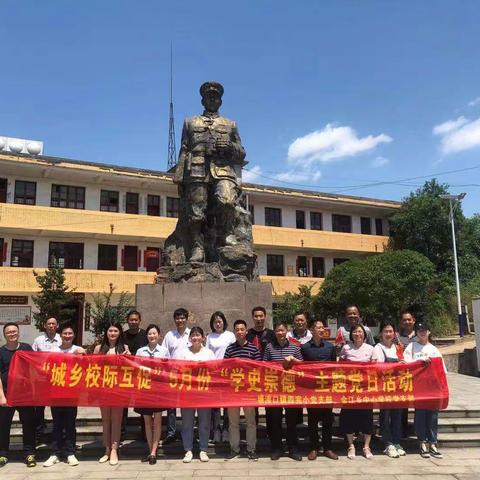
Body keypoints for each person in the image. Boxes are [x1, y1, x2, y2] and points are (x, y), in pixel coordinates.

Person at [171, 81, 247, 262]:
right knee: (196, 210)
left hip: (222, 170)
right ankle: (197, 248)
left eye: (216, 97)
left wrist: (230, 146)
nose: (212, 100)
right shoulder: (190, 122)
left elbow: (241, 153)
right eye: (208, 97)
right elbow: (184, 149)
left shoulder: (230, 124)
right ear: (203, 101)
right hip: (196, 170)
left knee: (227, 200)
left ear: (220, 101)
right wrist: (179, 178)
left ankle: (228, 234)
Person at [43, 324, 85, 468]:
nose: (67, 335)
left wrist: (83, 356)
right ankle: (55, 453)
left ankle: (70, 453)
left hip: (72, 393)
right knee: (57, 425)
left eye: (70, 333)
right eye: (65, 333)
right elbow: (47, 370)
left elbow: (86, 368)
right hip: (56, 392)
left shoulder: (78, 350)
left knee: (70, 424)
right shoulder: (54, 351)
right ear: (60, 336)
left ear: (73, 335)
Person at [404, 321, 446, 459]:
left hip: (433, 388)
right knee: (420, 415)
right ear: (416, 332)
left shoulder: (434, 349)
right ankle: (422, 442)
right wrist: (421, 360)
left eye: (425, 330)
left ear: (429, 332)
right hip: (419, 388)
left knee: (433, 416)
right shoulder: (411, 346)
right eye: (420, 330)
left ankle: (433, 442)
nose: (422, 332)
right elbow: (406, 363)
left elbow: (442, 371)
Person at [173, 327, 215, 463]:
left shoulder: (209, 353)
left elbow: (214, 371)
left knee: (204, 422)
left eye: (198, 335)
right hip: (187, 394)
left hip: (204, 394)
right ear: (190, 338)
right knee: (187, 423)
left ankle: (203, 449)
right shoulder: (182, 353)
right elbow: (176, 369)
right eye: (193, 335)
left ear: (203, 338)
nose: (196, 338)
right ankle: (188, 450)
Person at [263, 321, 303, 461]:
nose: (280, 333)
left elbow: (303, 366)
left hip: (290, 389)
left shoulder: (295, 347)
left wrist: (293, 360)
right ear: (274, 332)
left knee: (291, 421)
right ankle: (276, 448)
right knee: (275, 420)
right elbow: (264, 366)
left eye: (282, 330)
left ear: (287, 331)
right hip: (274, 389)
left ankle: (293, 448)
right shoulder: (269, 347)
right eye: (278, 330)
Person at [93, 322, 130, 465]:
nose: (113, 333)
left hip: (119, 389)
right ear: (106, 333)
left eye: (115, 331)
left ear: (119, 333)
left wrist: (128, 357)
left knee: (117, 420)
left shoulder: (124, 348)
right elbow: (92, 367)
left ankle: (114, 449)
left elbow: (130, 368)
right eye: (110, 330)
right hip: (103, 389)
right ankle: (106, 449)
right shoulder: (99, 348)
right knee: (105, 420)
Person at [223, 319, 261, 461]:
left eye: (242, 329)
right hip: (233, 392)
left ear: (246, 331)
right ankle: (234, 449)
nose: (239, 332)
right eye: (237, 329)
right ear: (234, 332)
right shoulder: (230, 349)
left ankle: (251, 449)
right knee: (233, 423)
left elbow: (258, 369)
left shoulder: (253, 349)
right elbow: (224, 370)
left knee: (251, 422)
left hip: (249, 391)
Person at [0, 323, 36, 468]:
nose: (12, 334)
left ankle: (29, 453)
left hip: (25, 394)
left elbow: (35, 367)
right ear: (4, 335)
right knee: (3, 425)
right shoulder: (0, 352)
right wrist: (1, 396)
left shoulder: (26, 348)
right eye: (9, 332)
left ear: (19, 333)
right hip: (7, 394)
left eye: (14, 331)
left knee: (28, 424)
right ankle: (3, 454)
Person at [301, 319, 338, 461]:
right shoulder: (304, 348)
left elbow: (334, 367)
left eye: (323, 327)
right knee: (312, 420)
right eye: (318, 327)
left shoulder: (330, 347)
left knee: (328, 420)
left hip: (327, 389)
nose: (321, 330)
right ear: (312, 330)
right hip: (311, 390)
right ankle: (314, 448)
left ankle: (327, 448)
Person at [338, 324, 376, 460]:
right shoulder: (346, 348)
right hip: (350, 390)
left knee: (366, 417)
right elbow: (340, 366)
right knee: (348, 417)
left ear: (364, 334)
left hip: (366, 390)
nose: (357, 334)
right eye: (355, 331)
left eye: (360, 331)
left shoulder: (371, 349)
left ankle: (366, 446)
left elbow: (376, 368)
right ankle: (351, 445)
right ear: (351, 334)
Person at [135, 324, 169, 465]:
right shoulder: (140, 351)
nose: (152, 336)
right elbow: (135, 369)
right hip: (144, 389)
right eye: (149, 333)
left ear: (159, 335)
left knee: (157, 421)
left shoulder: (164, 351)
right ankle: (150, 451)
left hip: (158, 389)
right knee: (147, 422)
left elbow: (168, 369)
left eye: (154, 333)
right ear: (147, 336)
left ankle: (154, 451)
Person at [373, 321, 405, 458]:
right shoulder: (378, 348)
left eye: (391, 331)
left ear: (394, 333)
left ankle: (397, 441)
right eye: (385, 331)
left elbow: (404, 363)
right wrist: (396, 365)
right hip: (384, 388)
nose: (388, 334)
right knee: (385, 416)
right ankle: (388, 443)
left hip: (397, 387)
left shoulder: (398, 348)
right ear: (381, 334)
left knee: (397, 415)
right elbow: (378, 367)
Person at [161, 307, 191, 445]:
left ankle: (188, 431)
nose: (180, 320)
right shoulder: (169, 335)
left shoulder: (192, 334)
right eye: (177, 318)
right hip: (172, 375)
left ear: (187, 318)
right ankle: (171, 433)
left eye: (182, 318)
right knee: (171, 407)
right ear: (174, 320)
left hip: (188, 375)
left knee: (188, 406)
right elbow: (164, 354)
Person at [206, 311, 235, 443]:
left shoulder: (230, 335)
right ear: (212, 324)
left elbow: (235, 352)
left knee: (228, 404)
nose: (218, 323)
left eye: (220, 321)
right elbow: (206, 354)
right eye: (215, 321)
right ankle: (216, 430)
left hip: (228, 374)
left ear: (224, 321)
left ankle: (226, 430)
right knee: (215, 405)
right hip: (214, 374)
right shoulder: (209, 337)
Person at [32, 317, 61, 435]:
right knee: (39, 405)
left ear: (57, 325)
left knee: (57, 404)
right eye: (49, 323)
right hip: (41, 378)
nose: (51, 325)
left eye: (53, 323)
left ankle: (58, 428)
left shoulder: (61, 339)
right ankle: (39, 428)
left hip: (57, 377)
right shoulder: (38, 340)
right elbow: (32, 357)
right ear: (45, 325)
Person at [122, 310, 148, 439]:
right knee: (122, 404)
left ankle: (145, 432)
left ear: (139, 320)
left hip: (141, 375)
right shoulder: (122, 336)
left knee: (143, 404)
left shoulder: (145, 335)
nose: (133, 322)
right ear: (127, 321)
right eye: (131, 320)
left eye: (135, 320)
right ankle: (121, 432)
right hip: (125, 374)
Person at [396, 310, 417, 438]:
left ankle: (418, 428)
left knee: (419, 402)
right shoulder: (397, 337)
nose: (407, 322)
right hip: (403, 375)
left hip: (417, 374)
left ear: (413, 321)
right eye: (404, 320)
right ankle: (402, 429)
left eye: (409, 319)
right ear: (401, 322)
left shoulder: (420, 335)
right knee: (402, 403)